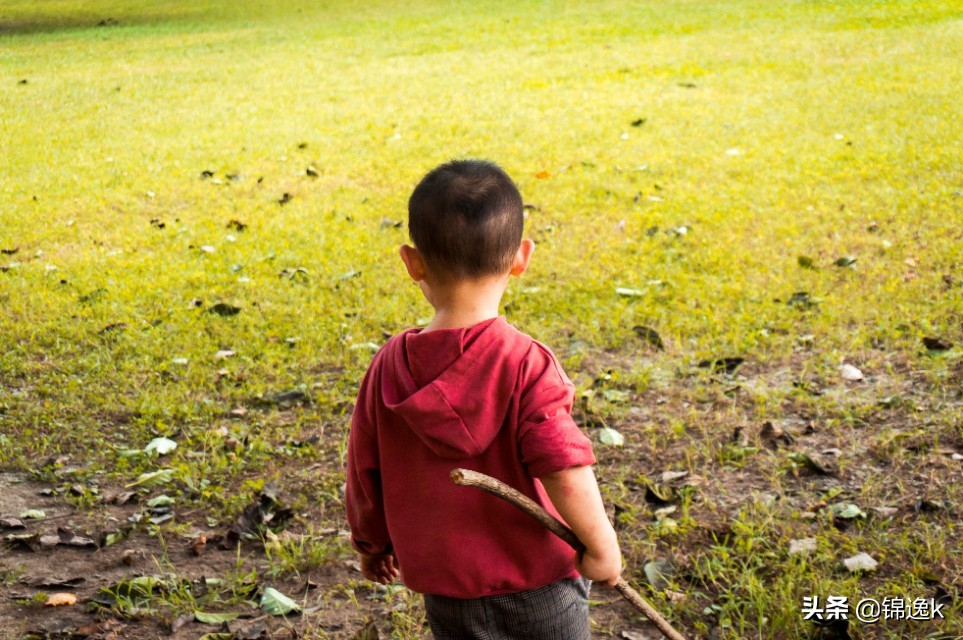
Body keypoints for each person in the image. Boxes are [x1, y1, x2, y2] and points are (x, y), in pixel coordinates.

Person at [345, 159, 622, 639]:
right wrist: (601, 546)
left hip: (448, 593)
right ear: (521, 257)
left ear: (412, 262)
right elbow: (562, 467)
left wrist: (373, 545)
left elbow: (364, 470)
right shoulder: (526, 364)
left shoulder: (388, 367)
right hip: (541, 586)